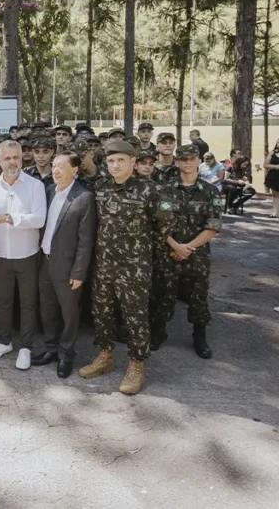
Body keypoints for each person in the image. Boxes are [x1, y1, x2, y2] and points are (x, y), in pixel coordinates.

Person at [78, 140, 173, 395]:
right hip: (103, 264)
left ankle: (136, 364)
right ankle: (105, 356)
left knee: (135, 316)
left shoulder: (153, 191)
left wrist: (141, 252)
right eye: (110, 161)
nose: (115, 165)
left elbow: (164, 226)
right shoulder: (100, 187)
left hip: (134, 267)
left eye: (121, 160)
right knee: (102, 311)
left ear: (133, 161)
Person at [151, 145, 222, 358]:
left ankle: (199, 336)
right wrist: (175, 246)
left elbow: (213, 227)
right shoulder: (166, 189)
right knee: (164, 292)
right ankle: (159, 332)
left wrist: (187, 248)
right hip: (168, 251)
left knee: (198, 296)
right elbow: (160, 223)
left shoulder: (211, 192)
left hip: (197, 255)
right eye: (183, 159)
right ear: (177, 162)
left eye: (191, 159)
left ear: (199, 160)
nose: (187, 163)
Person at [0, 140, 46, 370]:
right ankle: (4, 341)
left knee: (28, 303)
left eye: (16, 157)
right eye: (7, 158)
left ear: (22, 158)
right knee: (3, 301)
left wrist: (9, 217)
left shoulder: (34, 185)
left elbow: (39, 219)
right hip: (0, 255)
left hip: (27, 254)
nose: (12, 162)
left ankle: (26, 347)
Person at [33, 152, 96, 378]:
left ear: (75, 170)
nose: (56, 170)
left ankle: (66, 355)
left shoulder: (84, 197)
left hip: (68, 268)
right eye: (54, 166)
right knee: (47, 310)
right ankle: (51, 348)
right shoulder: (49, 191)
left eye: (61, 166)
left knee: (69, 314)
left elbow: (86, 240)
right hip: (45, 263)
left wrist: (79, 272)